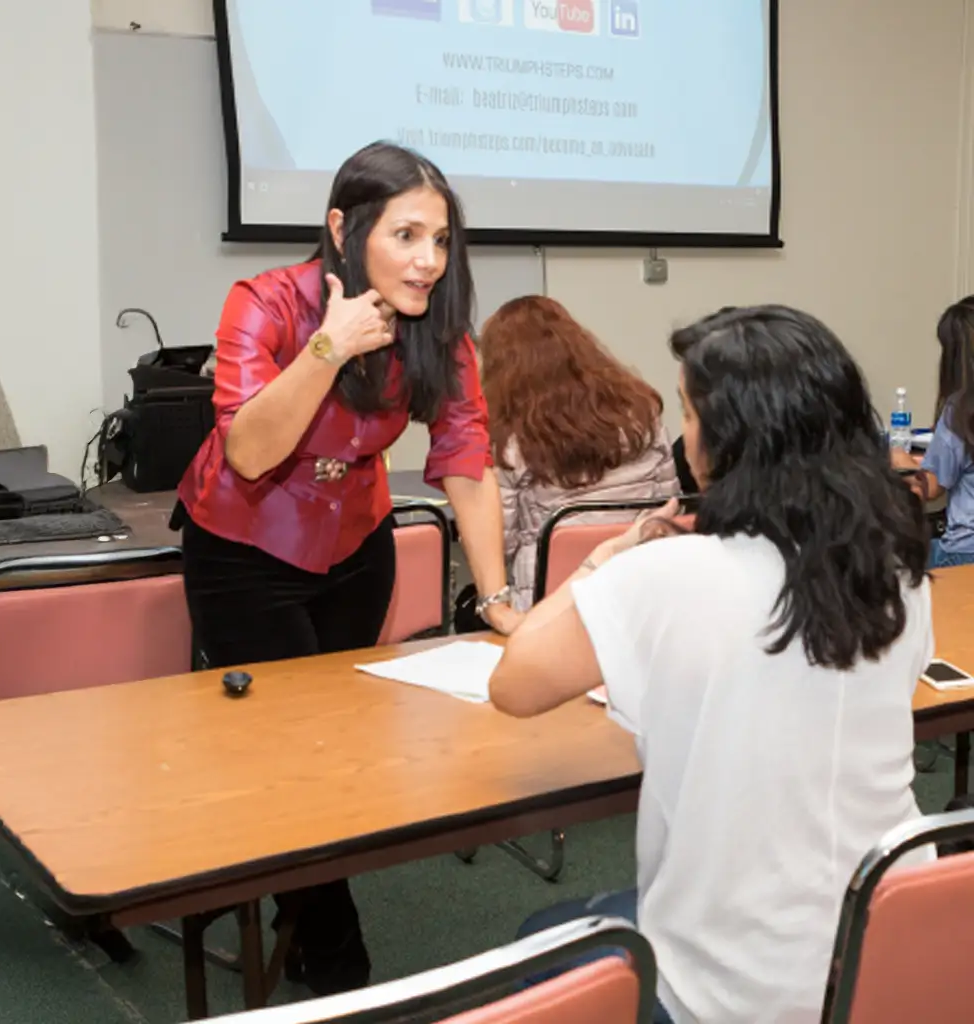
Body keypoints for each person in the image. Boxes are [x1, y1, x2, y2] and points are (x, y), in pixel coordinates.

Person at [488, 306, 932, 1023]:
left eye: (690, 414)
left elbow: (513, 683)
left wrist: (611, 552)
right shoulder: (897, 567)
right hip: (890, 952)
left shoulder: (667, 575)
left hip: (727, 991)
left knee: (539, 940)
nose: (682, 436)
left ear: (729, 440)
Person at [173, 141, 522, 995]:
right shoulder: (264, 303)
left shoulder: (439, 328)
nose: (429, 261)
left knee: (331, 753)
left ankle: (281, 893)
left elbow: (467, 459)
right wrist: (327, 350)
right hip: (243, 551)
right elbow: (250, 453)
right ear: (344, 228)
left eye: (440, 240)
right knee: (292, 757)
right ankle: (338, 965)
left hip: (356, 551)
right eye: (406, 236)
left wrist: (499, 596)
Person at [479, 295, 678, 612]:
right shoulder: (643, 415)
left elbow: (498, 544)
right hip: (640, 591)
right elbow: (668, 505)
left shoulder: (510, 443)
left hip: (549, 604)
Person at [893, 295, 974, 567]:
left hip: (965, 552)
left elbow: (930, 488)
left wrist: (900, 460)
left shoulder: (961, 412)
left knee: (891, 558)